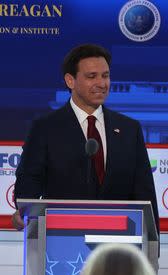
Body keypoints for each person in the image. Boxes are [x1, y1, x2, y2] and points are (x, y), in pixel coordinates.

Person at [12, 43, 158, 230]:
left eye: (105, 76)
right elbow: (28, 184)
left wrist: (152, 252)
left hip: (119, 243)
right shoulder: (45, 129)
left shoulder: (129, 129)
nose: (102, 83)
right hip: (61, 239)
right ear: (70, 81)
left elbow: (145, 194)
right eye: (92, 76)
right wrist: (24, 213)